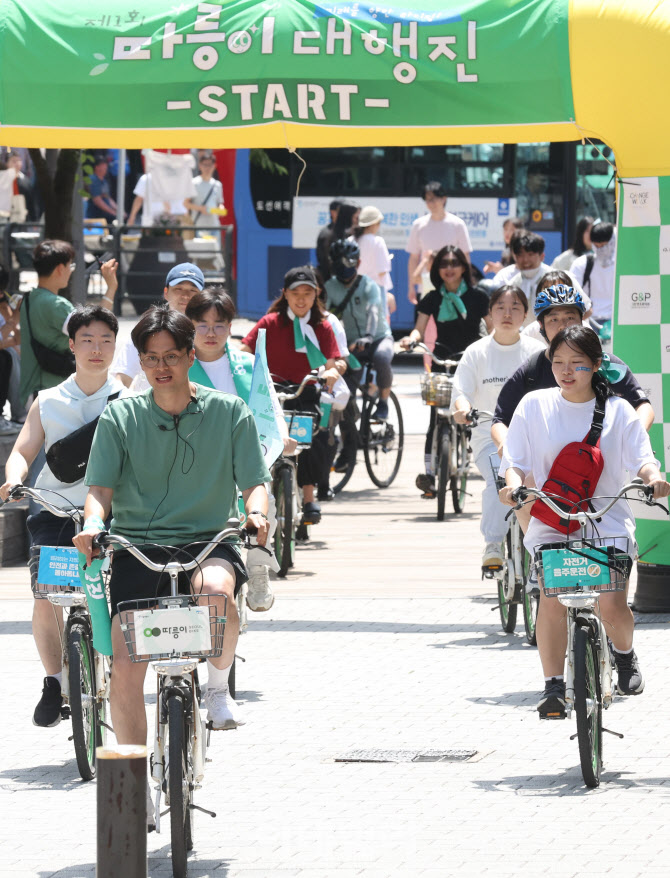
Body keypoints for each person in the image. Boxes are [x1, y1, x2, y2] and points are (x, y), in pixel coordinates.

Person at [73, 304, 271, 743]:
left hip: (208, 541)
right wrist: (91, 524)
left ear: (190, 355)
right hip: (137, 548)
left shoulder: (230, 411)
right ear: (140, 362)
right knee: (125, 667)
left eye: (171, 356)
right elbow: (100, 491)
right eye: (150, 358)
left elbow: (254, 483)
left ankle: (218, 692)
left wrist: (255, 513)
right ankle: (131, 783)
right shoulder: (120, 416)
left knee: (218, 593)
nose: (161, 367)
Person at [499, 325, 670, 716]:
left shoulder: (618, 410)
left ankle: (623, 655)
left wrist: (653, 480)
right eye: (558, 362)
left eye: (577, 363)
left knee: (612, 607)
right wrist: (513, 488)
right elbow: (515, 462)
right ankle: (553, 685)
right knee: (552, 601)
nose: (566, 370)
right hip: (553, 522)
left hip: (606, 521)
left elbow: (643, 458)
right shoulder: (533, 405)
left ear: (597, 366)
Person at [1, 305, 122, 727]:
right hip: (55, 510)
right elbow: (23, 450)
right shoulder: (49, 400)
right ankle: (54, 680)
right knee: (45, 594)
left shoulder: (130, 398)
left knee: (126, 588)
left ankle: (120, 669)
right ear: (71, 345)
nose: (97, 349)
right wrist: (14, 479)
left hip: (114, 514)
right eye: (87, 340)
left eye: (106, 340)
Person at [185, 286, 296, 611]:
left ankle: (259, 568)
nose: (210, 332)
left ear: (230, 327)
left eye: (219, 324)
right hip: (195, 461)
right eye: (202, 324)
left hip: (246, 456)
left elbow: (270, 406)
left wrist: (283, 434)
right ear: (190, 325)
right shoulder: (179, 364)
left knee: (265, 505)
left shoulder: (247, 364)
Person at [240, 266, 345, 527]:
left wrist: (332, 372)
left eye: (307, 293)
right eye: (295, 293)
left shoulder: (322, 325)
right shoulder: (269, 322)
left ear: (316, 295)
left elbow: (335, 360)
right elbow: (244, 349)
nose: (301, 299)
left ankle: (309, 497)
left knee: (311, 440)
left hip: (305, 389)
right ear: (285, 294)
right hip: (270, 392)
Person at [450, 286, 545, 567]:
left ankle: (542, 548)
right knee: (498, 479)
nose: (507, 313)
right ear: (489, 314)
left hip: (532, 437)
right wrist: (462, 409)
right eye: (500, 307)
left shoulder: (537, 352)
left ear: (526, 315)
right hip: (486, 436)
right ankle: (493, 543)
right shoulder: (476, 352)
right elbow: (460, 392)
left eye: (515, 307)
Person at [399, 245, 491, 495]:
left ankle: (473, 445)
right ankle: (429, 474)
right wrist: (411, 339)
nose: (449, 268)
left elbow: (492, 331)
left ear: (463, 267)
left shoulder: (479, 297)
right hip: (442, 360)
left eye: (454, 263)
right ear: (437, 270)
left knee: (472, 413)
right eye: (443, 264)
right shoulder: (432, 298)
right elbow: (418, 328)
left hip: (471, 361)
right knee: (436, 418)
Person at [326, 238, 394, 420]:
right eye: (338, 262)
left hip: (379, 338)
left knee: (381, 358)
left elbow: (373, 311)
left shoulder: (369, 285)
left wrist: (369, 336)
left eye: (348, 261)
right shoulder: (330, 287)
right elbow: (322, 316)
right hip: (352, 345)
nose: (343, 266)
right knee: (346, 373)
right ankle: (350, 410)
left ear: (359, 263)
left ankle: (383, 403)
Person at [112, 262, 205, 387]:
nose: (185, 296)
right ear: (166, 292)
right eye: (178, 289)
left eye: (193, 290)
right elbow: (123, 377)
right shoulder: (148, 327)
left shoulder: (209, 332)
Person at [19, 241, 77, 406]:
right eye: (70, 266)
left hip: (32, 390)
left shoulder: (28, 299)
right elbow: (92, 332)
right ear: (60, 268)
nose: (70, 271)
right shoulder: (57, 305)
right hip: (51, 392)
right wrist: (110, 289)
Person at [406, 181, 472, 305]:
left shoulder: (457, 224)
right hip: (426, 285)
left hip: (452, 286)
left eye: (434, 198)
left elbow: (465, 256)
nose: (431, 203)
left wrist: (467, 283)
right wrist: (411, 287)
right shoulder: (418, 225)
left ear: (444, 199)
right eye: (428, 200)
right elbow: (413, 258)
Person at [491, 231, 552, 318]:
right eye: (520, 255)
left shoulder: (556, 279)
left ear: (542, 256)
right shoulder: (513, 284)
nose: (525, 260)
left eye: (530, 254)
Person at [571, 221, 616, 333]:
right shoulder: (582, 264)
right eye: (597, 246)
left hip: (617, 322)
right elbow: (571, 293)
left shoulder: (625, 265)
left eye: (605, 246)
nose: (601, 250)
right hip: (589, 323)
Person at [351, 205, 394, 320]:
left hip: (353, 290)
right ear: (374, 224)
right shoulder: (377, 242)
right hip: (375, 292)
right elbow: (382, 272)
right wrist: (388, 293)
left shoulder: (351, 240)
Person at [183, 153, 225, 242]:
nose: (207, 168)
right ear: (200, 166)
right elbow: (185, 203)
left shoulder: (217, 185)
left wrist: (221, 209)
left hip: (215, 226)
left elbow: (219, 203)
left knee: (215, 253)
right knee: (202, 254)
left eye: (210, 165)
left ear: (214, 166)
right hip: (200, 226)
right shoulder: (194, 183)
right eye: (205, 165)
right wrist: (201, 208)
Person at [316, 198, 344, 282]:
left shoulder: (347, 231)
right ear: (333, 212)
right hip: (330, 279)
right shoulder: (326, 233)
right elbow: (324, 260)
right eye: (342, 210)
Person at [86, 156, 119, 221]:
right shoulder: (93, 180)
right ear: (97, 167)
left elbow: (108, 198)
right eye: (103, 165)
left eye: (105, 165)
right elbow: (97, 201)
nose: (105, 167)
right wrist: (112, 212)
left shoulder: (104, 181)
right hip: (97, 214)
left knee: (125, 217)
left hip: (106, 213)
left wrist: (119, 211)